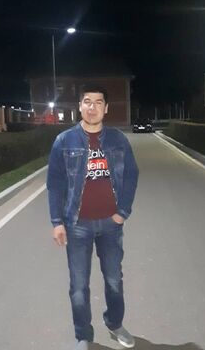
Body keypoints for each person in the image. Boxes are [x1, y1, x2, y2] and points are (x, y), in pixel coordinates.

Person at [47, 84, 139, 350]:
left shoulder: (118, 139)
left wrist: (122, 213)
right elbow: (55, 184)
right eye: (87, 101)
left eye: (98, 102)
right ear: (80, 106)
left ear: (106, 108)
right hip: (77, 224)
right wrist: (57, 222)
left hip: (111, 225)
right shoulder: (64, 141)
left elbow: (131, 175)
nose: (92, 107)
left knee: (114, 280)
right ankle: (83, 336)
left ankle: (115, 323)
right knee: (78, 286)